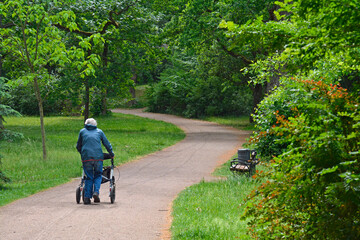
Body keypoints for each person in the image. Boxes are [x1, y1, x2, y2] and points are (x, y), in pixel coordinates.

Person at [76, 118, 114, 204]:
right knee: (97, 175)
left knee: (89, 177)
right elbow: (106, 144)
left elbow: (78, 145)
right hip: (98, 158)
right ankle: (96, 192)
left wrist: (82, 153)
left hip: (86, 158)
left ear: (86, 124)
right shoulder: (99, 132)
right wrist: (111, 153)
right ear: (95, 124)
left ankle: (86, 198)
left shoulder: (82, 132)